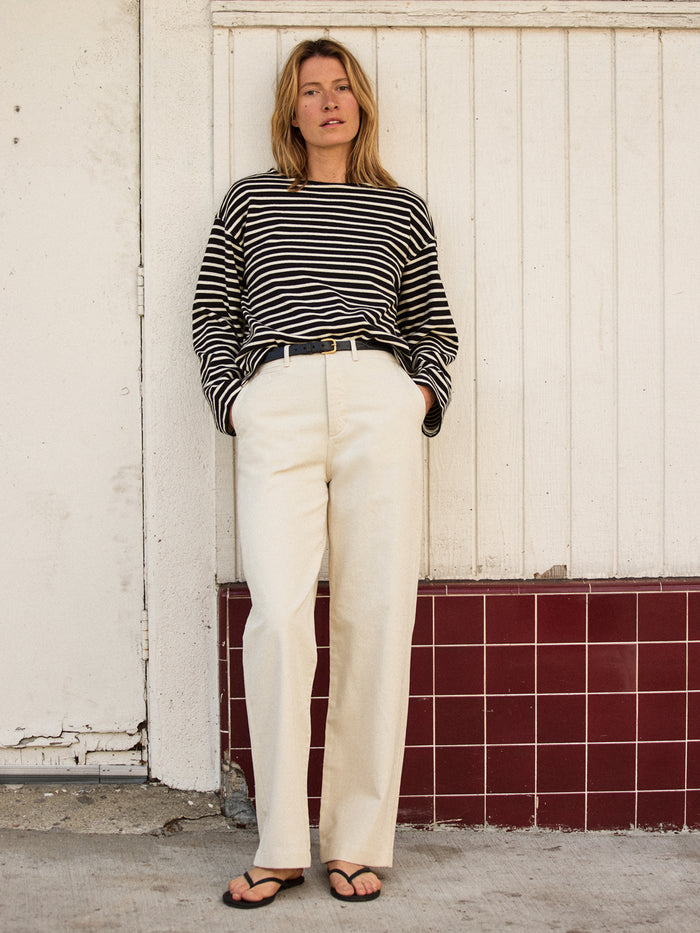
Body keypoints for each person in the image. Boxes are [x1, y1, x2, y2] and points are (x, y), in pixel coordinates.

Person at [192, 37, 458, 908]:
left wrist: (417, 393)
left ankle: (356, 839)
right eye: (311, 91)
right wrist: (237, 400)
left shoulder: (401, 209)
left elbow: (434, 324)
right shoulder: (250, 201)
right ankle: (277, 843)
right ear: (291, 109)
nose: (329, 102)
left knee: (376, 613)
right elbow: (212, 310)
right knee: (278, 614)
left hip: (377, 394)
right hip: (279, 394)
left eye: (342, 88)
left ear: (362, 104)